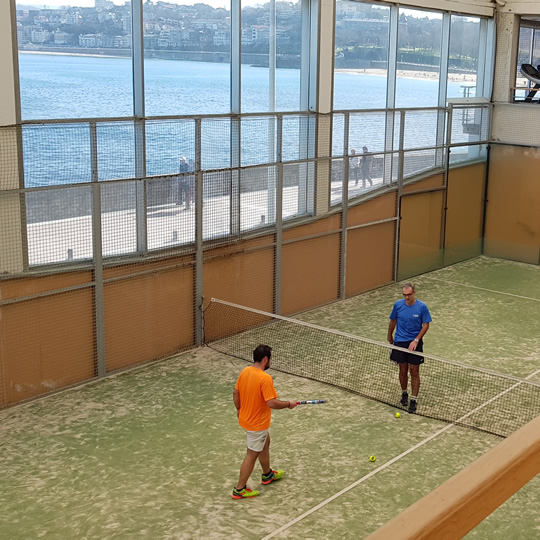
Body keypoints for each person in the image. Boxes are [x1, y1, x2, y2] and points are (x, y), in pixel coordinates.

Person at [232, 344, 297, 500]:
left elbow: (236, 392)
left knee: (265, 442)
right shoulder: (264, 378)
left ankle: (267, 474)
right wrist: (289, 404)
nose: (270, 362)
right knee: (251, 454)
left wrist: (239, 409)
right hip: (257, 424)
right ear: (266, 359)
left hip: (246, 419)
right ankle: (239, 489)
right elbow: (271, 403)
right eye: (271, 358)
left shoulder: (245, 371)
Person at [387, 283, 432, 414]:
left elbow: (426, 325)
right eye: (404, 295)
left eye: (409, 295)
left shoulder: (422, 307)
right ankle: (404, 393)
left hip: (415, 343)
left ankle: (413, 399)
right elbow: (393, 321)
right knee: (402, 369)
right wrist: (390, 335)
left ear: (414, 293)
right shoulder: (398, 305)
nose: (407, 297)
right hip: (399, 342)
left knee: (414, 371)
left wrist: (416, 340)